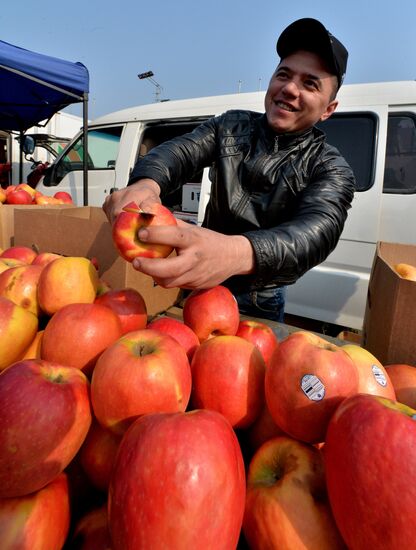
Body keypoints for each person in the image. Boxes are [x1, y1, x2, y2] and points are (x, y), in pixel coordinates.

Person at [103, 17, 355, 323]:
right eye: (284, 74)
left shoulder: (330, 167)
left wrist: (235, 253)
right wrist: (146, 183)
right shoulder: (231, 126)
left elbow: (316, 233)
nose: (289, 88)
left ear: (329, 109)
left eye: (310, 83)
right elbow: (180, 151)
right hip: (200, 286)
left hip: (260, 299)